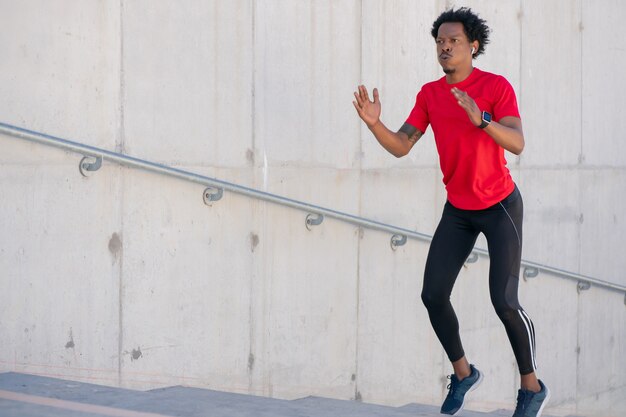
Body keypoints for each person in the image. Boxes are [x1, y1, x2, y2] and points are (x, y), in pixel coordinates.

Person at [353, 7, 550, 417]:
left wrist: (481, 121)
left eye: (453, 41)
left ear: (472, 46)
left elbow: (516, 142)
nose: (444, 47)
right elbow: (403, 145)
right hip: (459, 210)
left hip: (499, 206)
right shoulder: (430, 94)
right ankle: (463, 374)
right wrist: (375, 125)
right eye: (440, 41)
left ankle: (531, 387)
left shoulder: (495, 86)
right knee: (433, 295)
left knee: (504, 301)